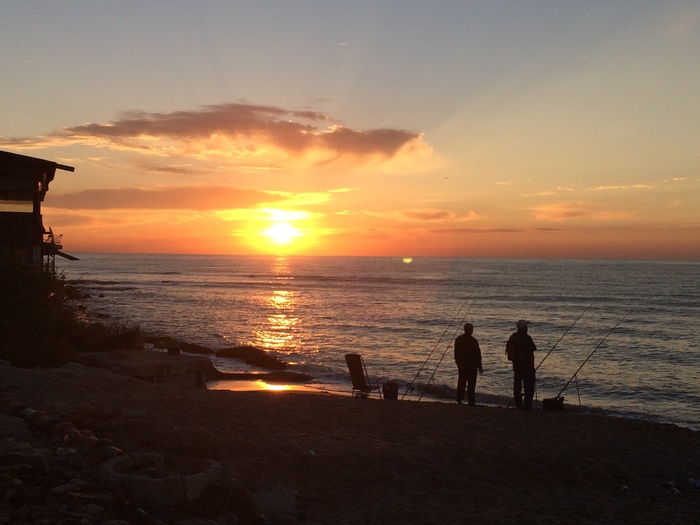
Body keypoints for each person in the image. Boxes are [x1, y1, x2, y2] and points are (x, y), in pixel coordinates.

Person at [507, 319, 537, 411]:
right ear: (523, 328)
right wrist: (532, 367)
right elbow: (530, 353)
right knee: (529, 387)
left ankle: (518, 406)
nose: (527, 328)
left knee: (517, 387)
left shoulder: (513, 337)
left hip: (516, 366)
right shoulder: (527, 338)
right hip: (526, 366)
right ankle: (527, 407)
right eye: (526, 326)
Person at [454, 322, 483, 405]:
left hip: (462, 365)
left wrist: (458, 362)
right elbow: (477, 354)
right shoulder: (473, 341)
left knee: (461, 382)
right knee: (471, 384)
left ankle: (459, 399)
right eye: (471, 329)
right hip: (471, 366)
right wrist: (480, 366)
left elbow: (456, 353)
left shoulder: (458, 339)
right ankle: (471, 400)